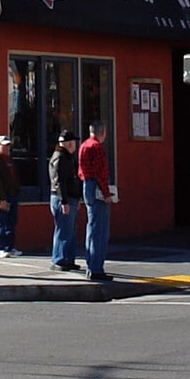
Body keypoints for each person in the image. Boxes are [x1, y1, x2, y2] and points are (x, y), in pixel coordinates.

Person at [78, 120, 112, 282]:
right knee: (100, 230)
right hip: (96, 186)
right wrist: (106, 193)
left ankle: (90, 265)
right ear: (102, 132)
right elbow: (100, 172)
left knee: (92, 227)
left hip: (87, 185)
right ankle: (97, 268)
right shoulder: (97, 147)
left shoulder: (84, 145)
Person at [47, 130, 80, 272]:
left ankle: (68, 259)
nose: (75, 145)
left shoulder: (68, 157)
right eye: (73, 142)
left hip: (71, 198)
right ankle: (59, 259)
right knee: (63, 230)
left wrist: (77, 198)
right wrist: (64, 202)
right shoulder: (60, 158)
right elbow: (59, 182)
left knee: (70, 231)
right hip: (62, 199)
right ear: (68, 143)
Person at [0, 134, 21, 258]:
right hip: (2, 196)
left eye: (8, 146)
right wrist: (1, 198)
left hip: (12, 195)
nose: (7, 148)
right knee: (0, 222)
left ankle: (9, 247)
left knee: (11, 222)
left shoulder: (10, 160)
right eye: (4, 146)